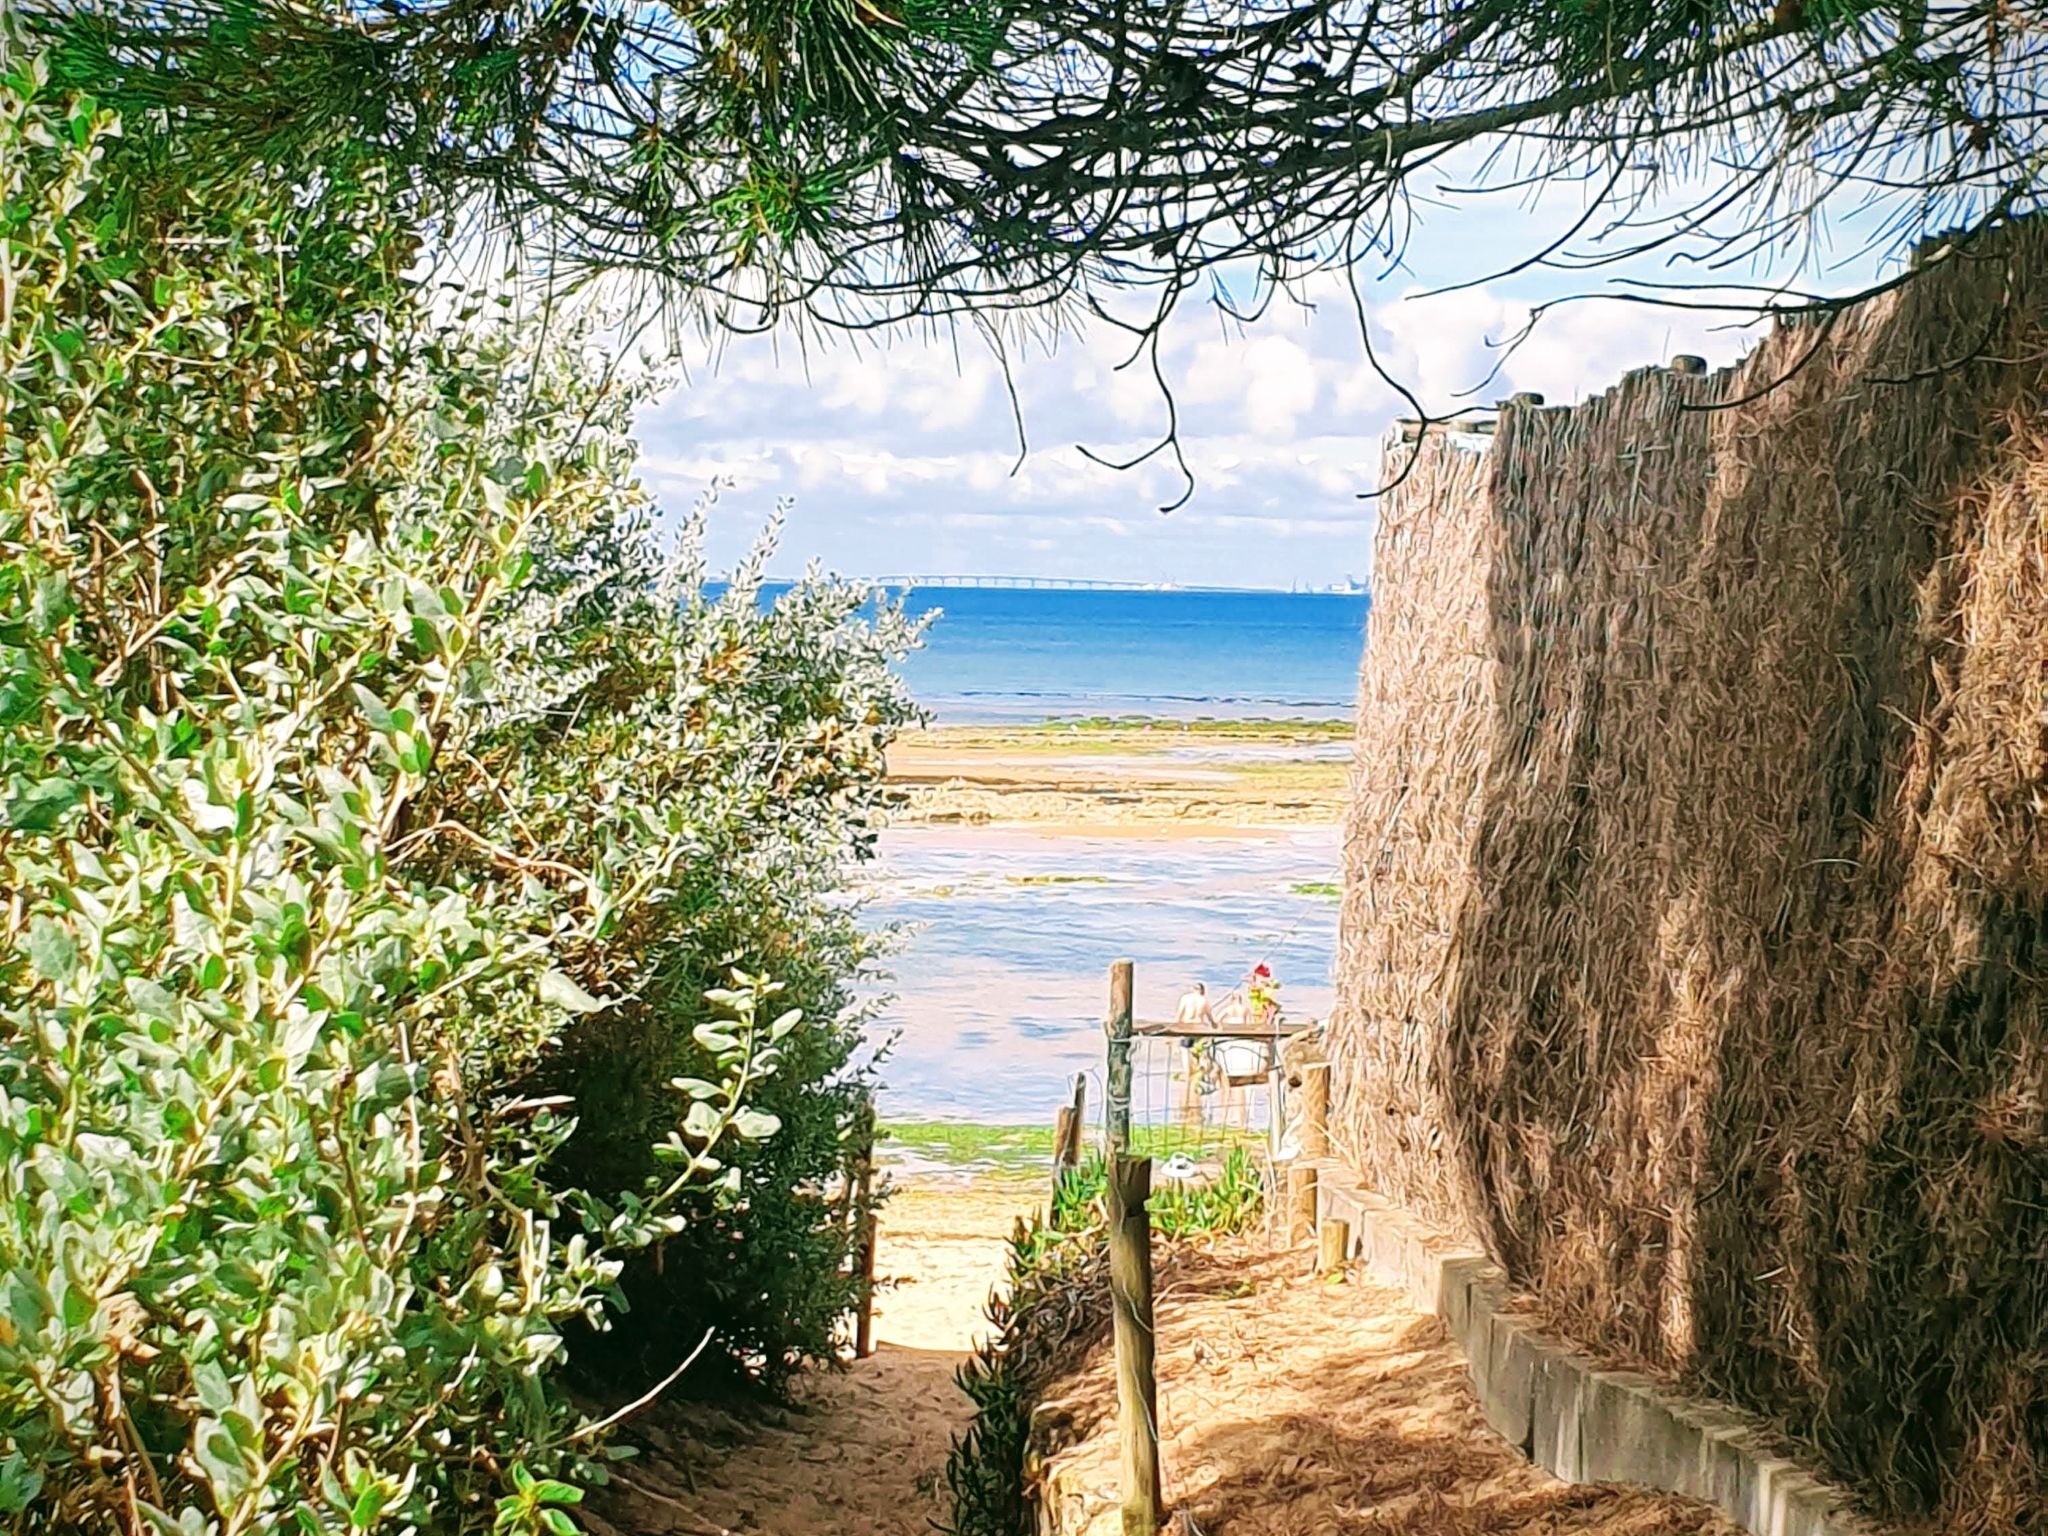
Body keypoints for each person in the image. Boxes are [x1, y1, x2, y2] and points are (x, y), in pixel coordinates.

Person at [1173, 982, 1214, 1122]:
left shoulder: (1186, 998)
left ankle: (1188, 1075)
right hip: (1199, 1028)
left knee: (1185, 1050)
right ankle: (1197, 1077)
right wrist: (1215, 1027)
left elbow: (1179, 1015)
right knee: (1199, 1053)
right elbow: (1210, 1018)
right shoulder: (1204, 1001)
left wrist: (1173, 1031)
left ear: (1193, 989)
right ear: (1203, 991)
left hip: (1187, 1027)